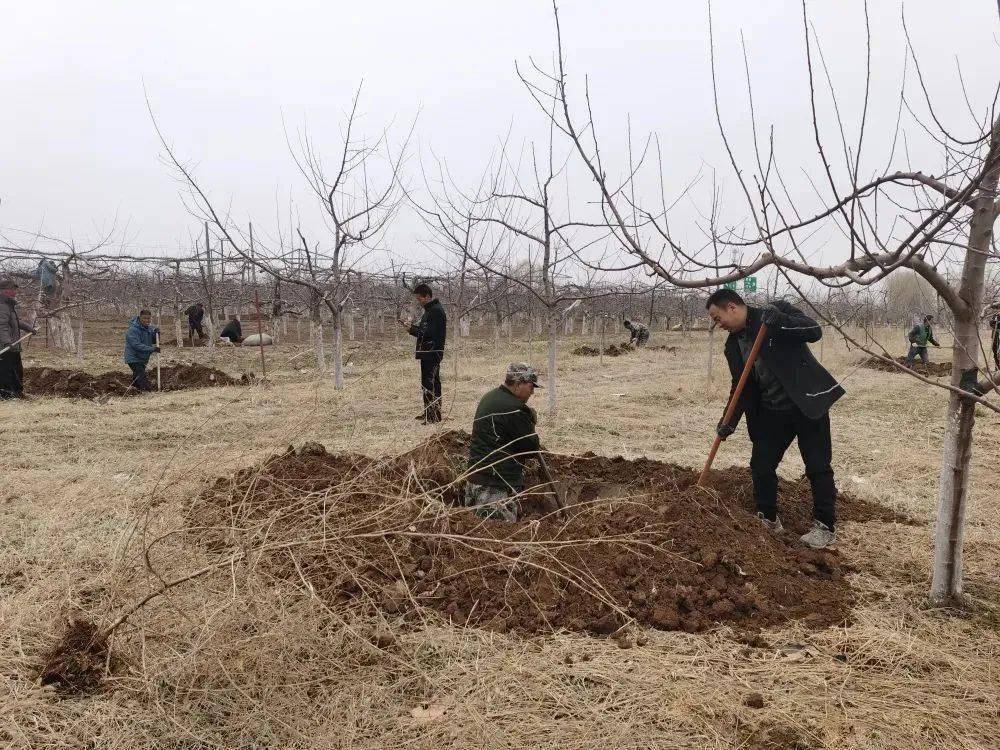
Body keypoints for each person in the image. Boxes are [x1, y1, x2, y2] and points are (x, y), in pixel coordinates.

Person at [706, 289, 845, 549]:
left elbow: (813, 331)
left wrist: (780, 320)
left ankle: (824, 526)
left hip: (806, 404)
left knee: (817, 466)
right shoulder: (733, 345)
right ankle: (768, 519)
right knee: (761, 464)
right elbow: (741, 386)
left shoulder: (774, 313)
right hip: (772, 412)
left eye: (717, 317)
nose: (717, 324)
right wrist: (729, 422)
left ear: (732, 307)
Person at [465, 363, 544, 522]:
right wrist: (530, 421)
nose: (532, 392)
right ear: (518, 384)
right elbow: (530, 447)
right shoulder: (514, 409)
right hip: (493, 487)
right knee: (498, 537)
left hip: (476, 480)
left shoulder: (490, 397)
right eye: (530, 386)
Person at [400, 283, 447, 423]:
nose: (419, 302)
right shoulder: (430, 310)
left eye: (420, 299)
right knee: (428, 383)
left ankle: (432, 416)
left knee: (430, 383)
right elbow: (425, 330)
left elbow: (429, 334)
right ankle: (429, 413)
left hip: (432, 353)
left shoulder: (436, 311)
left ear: (427, 296)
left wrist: (411, 329)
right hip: (428, 352)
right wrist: (412, 328)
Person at [0, 278, 37, 399]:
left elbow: (15, 321)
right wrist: (6, 342)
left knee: (17, 369)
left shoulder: (8, 305)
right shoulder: (2, 306)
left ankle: (17, 392)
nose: (16, 292)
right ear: (5, 291)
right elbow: (2, 325)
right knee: (7, 371)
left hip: (12, 344)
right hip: (6, 345)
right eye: (13, 290)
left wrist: (29, 328)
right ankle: (7, 395)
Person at [124, 309, 160, 392]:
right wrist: (152, 349)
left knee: (137, 378)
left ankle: (134, 390)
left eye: (149, 318)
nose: (147, 320)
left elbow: (153, 340)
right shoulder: (133, 330)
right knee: (141, 377)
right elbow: (136, 345)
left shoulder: (149, 328)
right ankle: (147, 392)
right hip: (134, 357)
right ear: (140, 317)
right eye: (144, 318)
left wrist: (157, 333)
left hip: (143, 358)